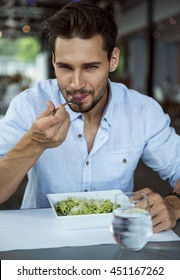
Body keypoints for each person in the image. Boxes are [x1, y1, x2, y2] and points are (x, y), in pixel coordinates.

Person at [0, 2, 179, 233]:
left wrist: (174, 205)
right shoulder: (28, 105)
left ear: (113, 60)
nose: (76, 84)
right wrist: (34, 143)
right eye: (65, 67)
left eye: (90, 67)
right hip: (40, 241)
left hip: (117, 240)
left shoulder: (142, 111)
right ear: (53, 61)